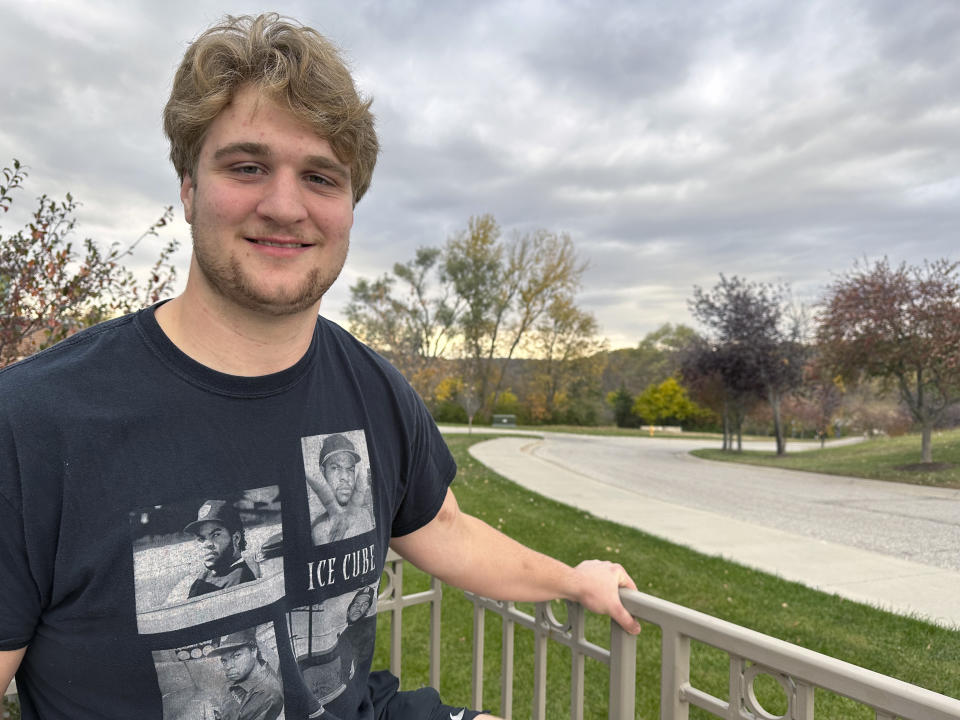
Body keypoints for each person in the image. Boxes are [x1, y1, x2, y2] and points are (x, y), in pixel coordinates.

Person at [0, 13, 640, 719]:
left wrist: (574, 581)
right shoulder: (33, 423)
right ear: (187, 189)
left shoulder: (374, 390)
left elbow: (445, 528)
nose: (284, 205)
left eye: (320, 177)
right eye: (246, 167)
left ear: (349, 209)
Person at [309, 434, 375, 544]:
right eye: (335, 468)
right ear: (322, 472)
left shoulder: (365, 516)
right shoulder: (319, 530)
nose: (345, 477)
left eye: (350, 469)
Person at [206, 628, 284, 720]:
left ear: (253, 651)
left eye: (236, 656)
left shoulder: (266, 693)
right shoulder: (243, 672)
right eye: (224, 661)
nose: (228, 667)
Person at [185, 499, 258, 597]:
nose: (206, 544)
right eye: (202, 538)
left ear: (236, 538)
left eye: (215, 535)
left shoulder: (239, 580)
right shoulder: (204, 577)